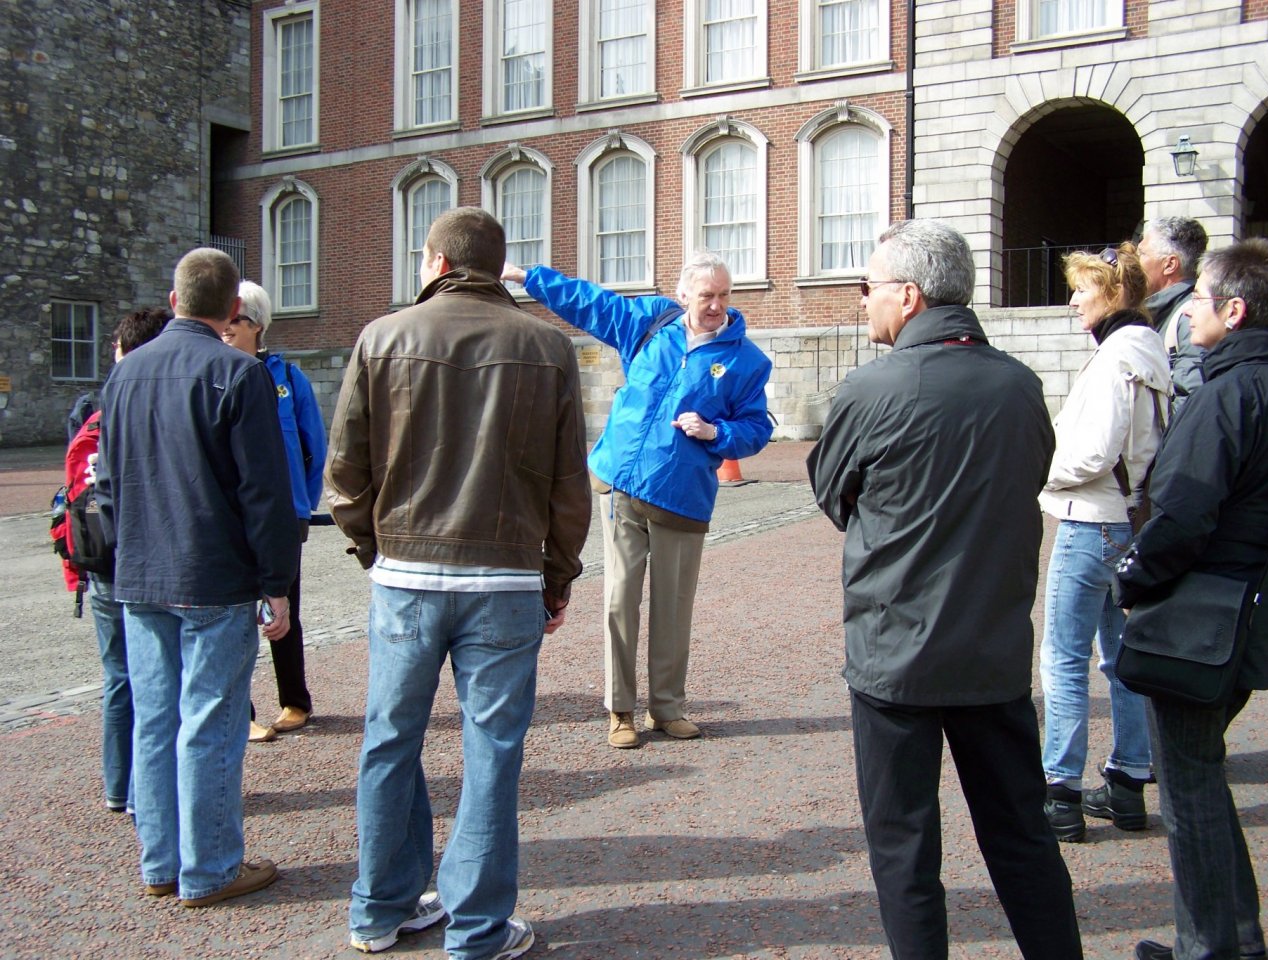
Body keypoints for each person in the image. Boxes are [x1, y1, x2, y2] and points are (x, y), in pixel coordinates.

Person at [807, 219, 1082, 960]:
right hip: (992, 652)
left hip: (895, 655)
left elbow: (832, 496)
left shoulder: (871, 387)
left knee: (904, 850)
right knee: (1023, 838)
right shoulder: (1021, 386)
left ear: (909, 293)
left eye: (869, 287)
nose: (863, 301)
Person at [329, 207, 592, 959]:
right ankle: (476, 931)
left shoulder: (383, 336)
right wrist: (557, 576)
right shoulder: (546, 345)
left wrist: (371, 551)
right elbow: (570, 483)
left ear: (439, 261)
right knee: (491, 751)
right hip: (505, 576)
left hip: (407, 574)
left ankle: (380, 909)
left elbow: (346, 471)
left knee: (389, 739)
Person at [501, 251, 772, 748]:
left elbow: (756, 428)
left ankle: (666, 708)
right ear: (684, 294)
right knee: (620, 599)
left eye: (724, 295)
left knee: (672, 606)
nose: (716, 305)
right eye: (706, 295)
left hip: (683, 496)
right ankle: (620, 710)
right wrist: (528, 276)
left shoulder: (747, 361)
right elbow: (591, 304)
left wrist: (717, 431)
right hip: (623, 482)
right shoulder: (651, 322)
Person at [96, 247, 299, 906]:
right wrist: (276, 584)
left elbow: (113, 479)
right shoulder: (238, 374)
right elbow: (264, 494)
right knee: (209, 723)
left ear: (176, 299)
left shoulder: (124, 375)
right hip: (212, 572)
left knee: (155, 721)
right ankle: (209, 866)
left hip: (141, 570)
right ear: (232, 309)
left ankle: (161, 863)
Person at [1113, 238, 1268, 960]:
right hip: (1253, 609)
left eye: (1202, 303)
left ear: (1234, 310)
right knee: (1201, 777)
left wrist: (1130, 577)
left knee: (1188, 788)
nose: (1188, 317)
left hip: (1205, 617)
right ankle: (1231, 937)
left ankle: (1213, 946)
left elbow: (1180, 516)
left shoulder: (1228, 394)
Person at [1038, 243, 1171, 842]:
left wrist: (1036, 469)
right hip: (1128, 521)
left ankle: (1060, 793)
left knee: (1063, 659)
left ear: (1112, 293)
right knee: (1120, 660)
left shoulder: (1118, 356)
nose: (1072, 301)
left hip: (1091, 520)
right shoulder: (1148, 351)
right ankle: (1128, 785)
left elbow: (1093, 452)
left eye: (1081, 291)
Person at [57, 306, 171, 816]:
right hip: (143, 561)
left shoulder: (92, 413)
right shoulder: (149, 405)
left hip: (96, 562)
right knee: (160, 678)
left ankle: (119, 786)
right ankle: (156, 791)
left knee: (118, 677)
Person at [223, 279, 328, 743]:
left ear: (257, 325)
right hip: (230, 515)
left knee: (284, 607)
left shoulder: (287, 378)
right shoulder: (217, 373)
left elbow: (313, 444)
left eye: (236, 321)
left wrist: (300, 504)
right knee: (231, 615)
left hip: (284, 513)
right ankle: (239, 710)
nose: (227, 328)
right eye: (224, 320)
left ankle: (295, 700)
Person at [1137, 216, 1209, 411]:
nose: (1134, 263)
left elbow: (1191, 404)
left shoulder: (1189, 317)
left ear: (1170, 264)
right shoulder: (1157, 312)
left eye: (1141, 254)